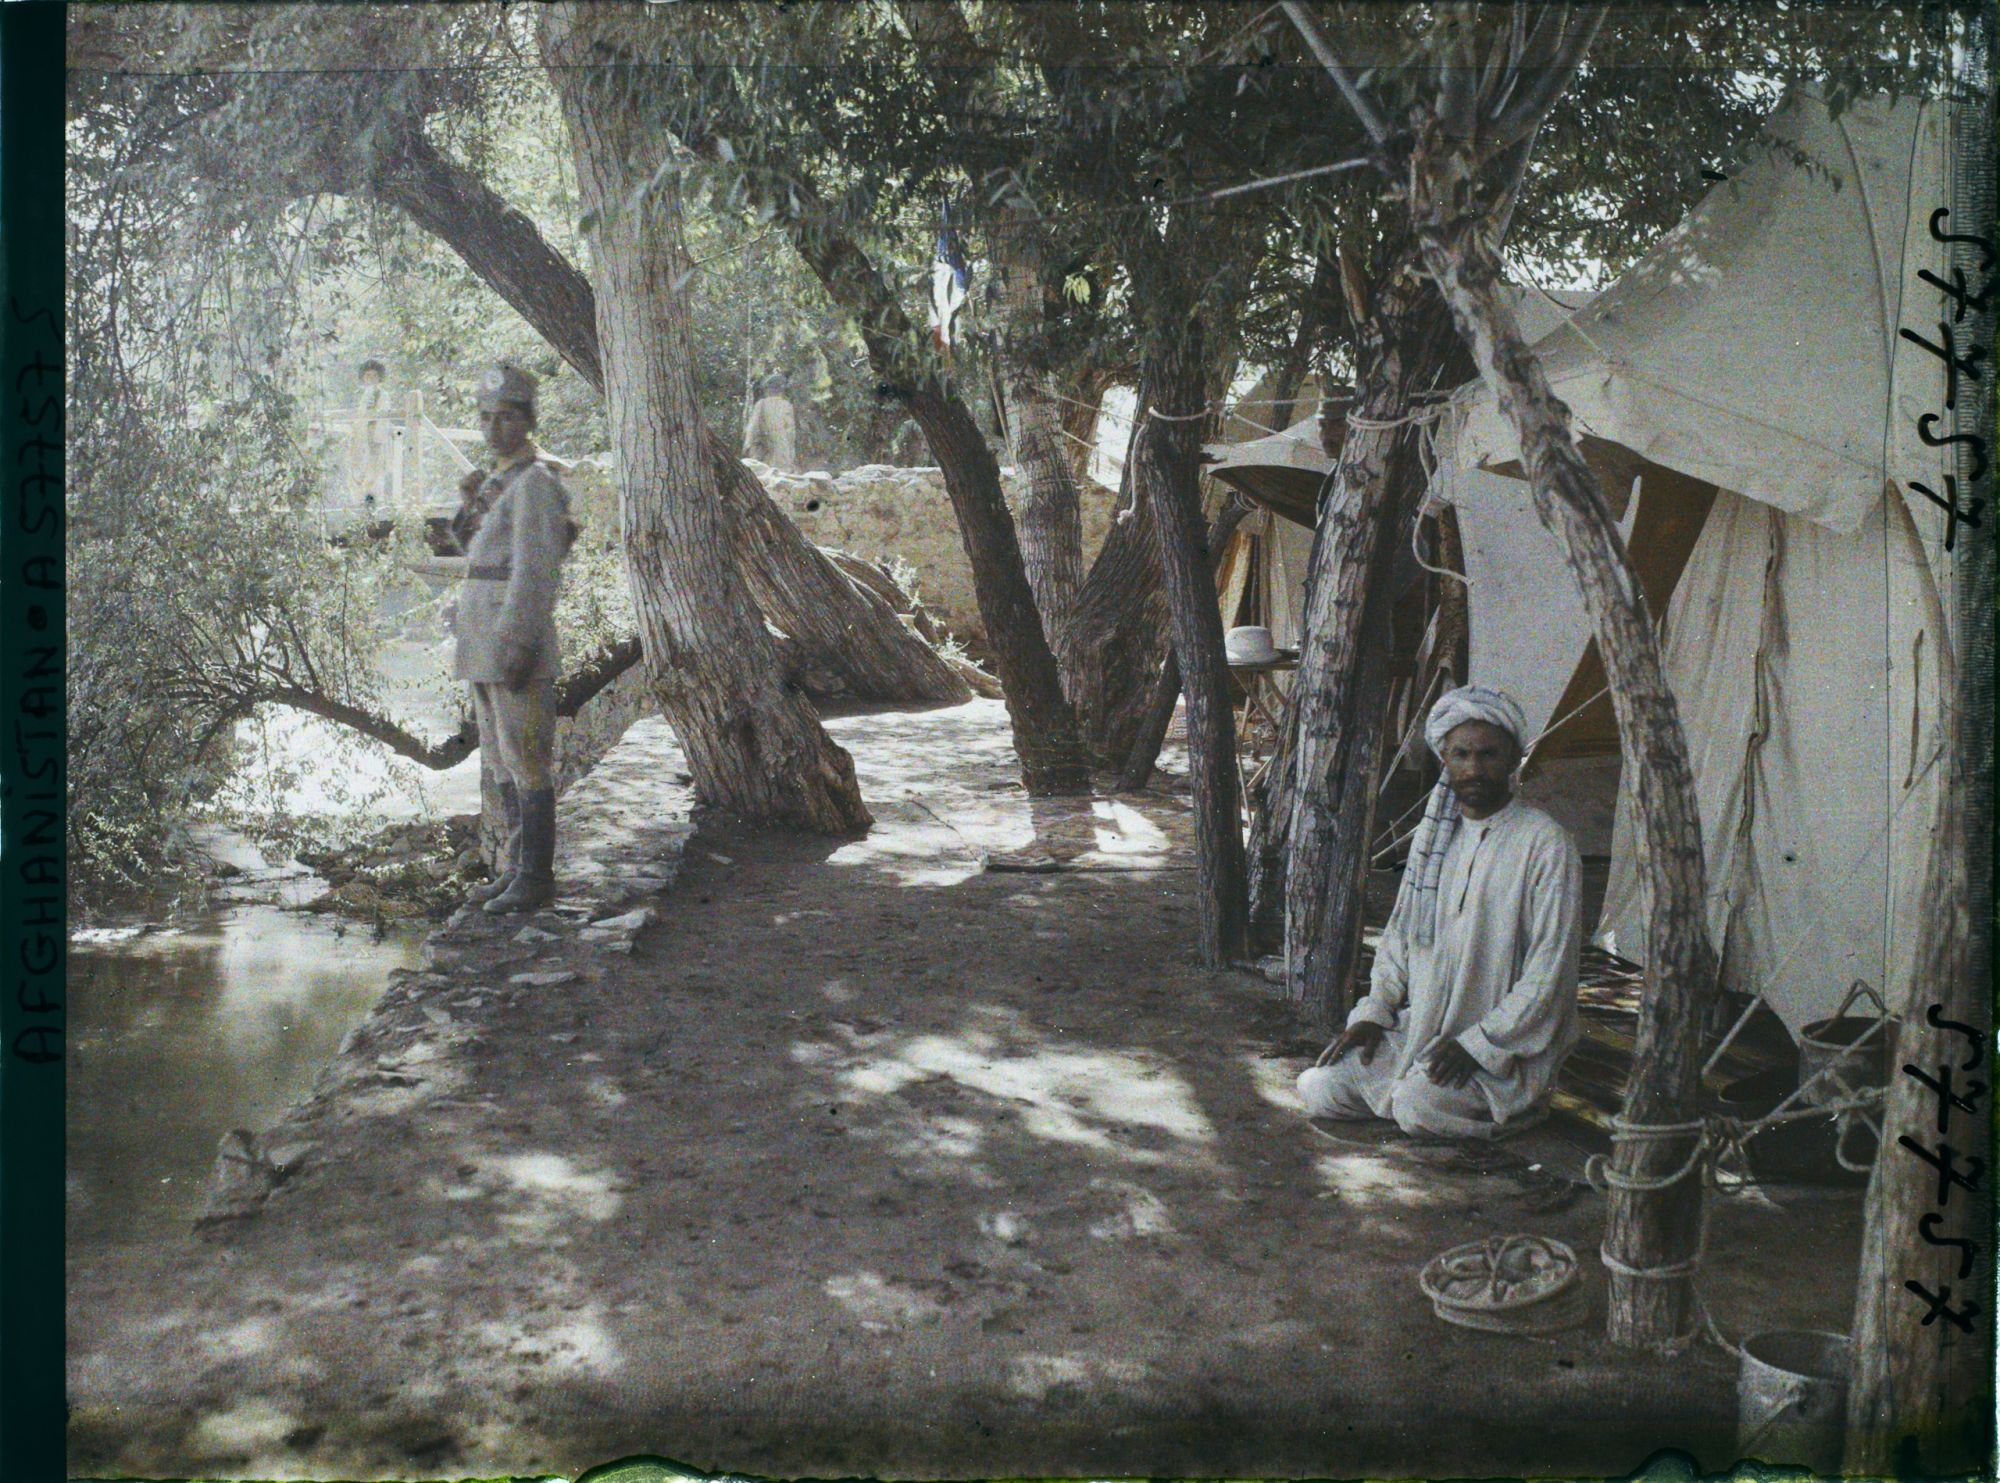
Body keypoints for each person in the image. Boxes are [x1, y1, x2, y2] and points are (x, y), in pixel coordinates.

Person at [1296, 685, 1582, 1139]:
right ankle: (1418, 1092)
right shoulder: (1436, 839)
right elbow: (1400, 937)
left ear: (1513, 759)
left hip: (1504, 1050)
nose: (1473, 769)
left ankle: (1509, 1111)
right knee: (1318, 1088)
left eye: (1488, 754)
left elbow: (1550, 970)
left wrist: (1478, 1045)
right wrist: (1373, 1012)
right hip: (1422, 1030)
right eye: (1461, 754)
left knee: (1415, 1106)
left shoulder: (1544, 843)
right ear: (1443, 760)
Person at [448, 362, 577, 915]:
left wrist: (518, 641)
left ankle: (536, 877)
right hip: (482, 637)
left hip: (510, 636)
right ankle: (513, 869)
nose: (493, 428)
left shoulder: (537, 482)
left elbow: (534, 571)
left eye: (505, 417)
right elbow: (476, 557)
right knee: (501, 759)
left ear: (526, 420)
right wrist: (468, 504)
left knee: (526, 758)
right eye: (485, 418)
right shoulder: (502, 482)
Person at [349, 358, 391, 506]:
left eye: (373, 376)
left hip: (375, 438)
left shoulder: (382, 394)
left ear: (379, 378)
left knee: (375, 469)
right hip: (361, 439)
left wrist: (376, 438)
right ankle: (359, 501)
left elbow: (382, 416)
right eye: (367, 376)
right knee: (358, 469)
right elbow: (358, 417)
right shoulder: (362, 395)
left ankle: (374, 502)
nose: (370, 379)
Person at [741, 373, 800, 472]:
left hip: (781, 443)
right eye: (774, 387)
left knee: (780, 469)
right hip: (767, 441)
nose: (776, 390)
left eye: (778, 387)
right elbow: (754, 426)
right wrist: (751, 442)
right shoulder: (762, 404)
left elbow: (790, 429)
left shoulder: (786, 405)